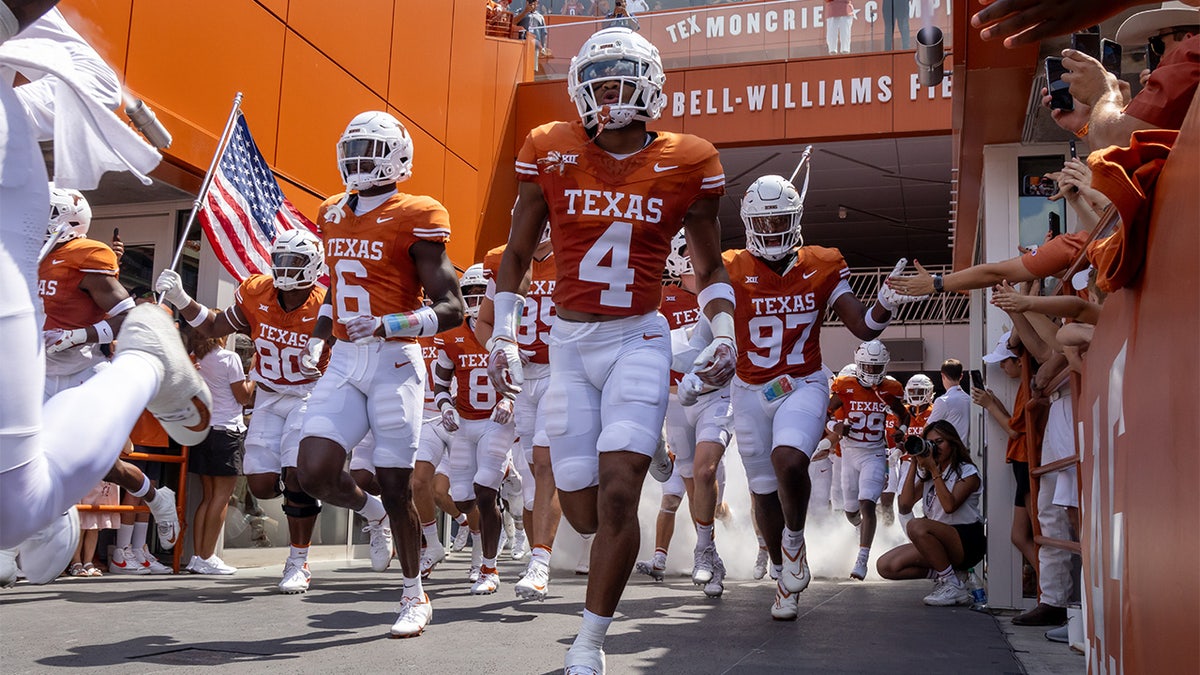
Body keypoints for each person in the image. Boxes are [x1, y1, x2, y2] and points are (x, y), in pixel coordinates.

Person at [487, 27, 737, 673]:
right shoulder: (550, 147)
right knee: (583, 509)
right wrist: (504, 332)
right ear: (580, 87)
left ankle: (588, 643)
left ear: (650, 85)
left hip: (639, 335)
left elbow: (709, 267)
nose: (610, 91)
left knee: (620, 494)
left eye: (623, 78)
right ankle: (642, 442)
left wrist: (727, 332)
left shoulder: (689, 158)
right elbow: (516, 251)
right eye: (599, 79)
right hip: (570, 345)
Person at [0, 0, 207, 588]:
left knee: (19, 491)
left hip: (79, 364)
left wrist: (81, 334)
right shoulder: (49, 252)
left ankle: (146, 362)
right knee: (24, 486)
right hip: (43, 359)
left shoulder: (88, 254)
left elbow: (117, 312)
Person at [723, 173, 923, 620]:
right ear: (749, 222)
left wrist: (886, 302)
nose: (773, 229)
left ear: (795, 220)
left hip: (802, 381)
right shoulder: (731, 266)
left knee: (790, 459)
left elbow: (863, 326)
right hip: (749, 386)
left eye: (781, 220)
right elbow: (712, 322)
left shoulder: (822, 262)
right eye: (765, 221)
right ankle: (783, 575)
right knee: (762, 492)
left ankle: (795, 542)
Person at [295, 110, 464, 638]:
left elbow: (453, 308)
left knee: (398, 485)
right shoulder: (330, 212)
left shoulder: (417, 213)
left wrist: (390, 322)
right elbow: (337, 288)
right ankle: (369, 515)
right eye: (352, 150)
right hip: (345, 359)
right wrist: (318, 338)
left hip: (395, 362)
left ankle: (415, 592)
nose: (357, 161)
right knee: (314, 472)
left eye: (370, 151)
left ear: (397, 160)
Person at [155, 228, 329, 592]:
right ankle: (304, 489)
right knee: (263, 485)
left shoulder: (325, 305)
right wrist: (182, 298)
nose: (285, 268)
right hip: (268, 393)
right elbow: (215, 324)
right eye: (281, 259)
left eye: (295, 261)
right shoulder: (258, 292)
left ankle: (298, 560)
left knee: (295, 475)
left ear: (313, 265)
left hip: (308, 393)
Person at [476, 223, 560, 602]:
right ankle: (537, 560)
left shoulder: (576, 251)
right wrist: (500, 348)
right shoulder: (500, 258)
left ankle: (541, 560)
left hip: (563, 372)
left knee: (545, 464)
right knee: (530, 476)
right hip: (523, 378)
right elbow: (484, 321)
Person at [659, 229, 735, 598]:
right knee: (692, 484)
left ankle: (704, 550)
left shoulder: (721, 291)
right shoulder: (663, 298)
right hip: (676, 402)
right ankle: (711, 549)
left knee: (705, 471)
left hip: (715, 396)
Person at [433, 264, 516, 595]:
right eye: (469, 293)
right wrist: (445, 405)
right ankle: (484, 535)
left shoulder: (507, 332)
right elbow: (439, 382)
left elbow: (526, 376)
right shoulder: (451, 336)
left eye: (482, 293)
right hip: (465, 423)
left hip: (497, 422)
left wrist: (510, 399)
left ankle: (490, 567)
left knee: (484, 490)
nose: (476, 299)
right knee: (463, 497)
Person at [1049, 4, 1198, 149]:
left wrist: (1103, 92)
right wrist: (1084, 123)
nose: (1157, 56)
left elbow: (1115, 143)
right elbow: (1122, 156)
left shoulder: (1191, 52)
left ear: (1187, 38)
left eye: (1158, 44)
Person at [875, 420, 985, 607]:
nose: (935, 447)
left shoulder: (968, 472)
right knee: (885, 566)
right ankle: (952, 576)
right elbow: (904, 505)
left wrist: (934, 470)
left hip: (966, 540)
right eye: (931, 443)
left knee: (916, 525)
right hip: (938, 543)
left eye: (940, 442)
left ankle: (952, 584)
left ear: (953, 443)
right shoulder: (930, 475)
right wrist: (913, 462)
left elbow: (949, 506)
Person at [829, 340, 909, 581]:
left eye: (877, 368)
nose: (872, 373)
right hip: (849, 452)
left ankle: (862, 559)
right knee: (851, 512)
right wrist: (836, 425)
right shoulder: (845, 385)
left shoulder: (890, 388)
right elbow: (826, 412)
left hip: (873, 453)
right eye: (868, 367)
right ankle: (861, 527)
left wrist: (902, 429)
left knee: (866, 504)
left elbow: (903, 413)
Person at [972, 332, 1039, 590]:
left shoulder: (1031, 383)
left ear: (1020, 361)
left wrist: (990, 405)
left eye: (1005, 361)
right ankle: (1044, 585)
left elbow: (1014, 430)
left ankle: (1049, 590)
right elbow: (1018, 426)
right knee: (1021, 536)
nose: (1002, 366)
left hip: (1027, 462)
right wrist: (994, 403)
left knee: (1030, 535)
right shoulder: (1027, 384)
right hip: (1024, 462)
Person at [184, 332, 252, 575]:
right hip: (227, 431)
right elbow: (243, 396)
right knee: (221, 498)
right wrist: (253, 375)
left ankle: (197, 556)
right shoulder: (229, 358)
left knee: (207, 496)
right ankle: (207, 556)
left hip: (204, 429)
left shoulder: (195, 358)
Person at [927, 358, 970, 440]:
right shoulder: (969, 399)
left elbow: (927, 429)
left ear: (942, 376)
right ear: (961, 376)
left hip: (951, 450)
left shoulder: (942, 401)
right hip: (967, 450)